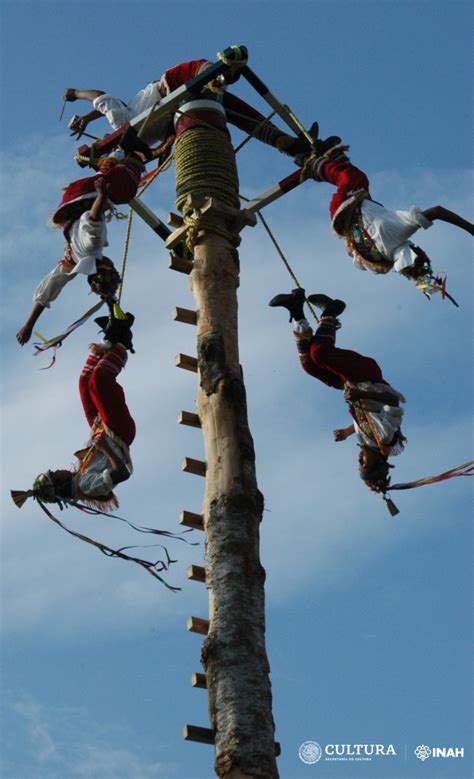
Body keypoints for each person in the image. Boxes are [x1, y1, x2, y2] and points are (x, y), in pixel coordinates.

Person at [269, 288, 406, 495]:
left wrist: (347, 432)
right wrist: (362, 396)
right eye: (364, 463)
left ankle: (296, 309)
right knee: (320, 354)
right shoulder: (385, 438)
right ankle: (331, 312)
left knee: (310, 366)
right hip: (367, 377)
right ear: (377, 462)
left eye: (358, 464)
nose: (359, 459)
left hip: (350, 384)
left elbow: (363, 420)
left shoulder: (366, 440)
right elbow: (393, 400)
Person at [62, 59, 338, 158]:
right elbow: (105, 99)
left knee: (222, 101)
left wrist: (83, 110)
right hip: (173, 97)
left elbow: (106, 101)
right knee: (220, 100)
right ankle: (217, 74)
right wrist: (78, 98)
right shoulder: (130, 126)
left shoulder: (128, 123)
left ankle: (286, 143)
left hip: (173, 98)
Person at [299, 144, 473, 297]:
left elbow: (437, 211)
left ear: (413, 252)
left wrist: (470, 228)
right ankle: (334, 157)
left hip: (348, 206)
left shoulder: (399, 232)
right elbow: (352, 254)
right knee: (358, 186)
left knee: (354, 177)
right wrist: (421, 278)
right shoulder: (381, 264)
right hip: (344, 217)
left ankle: (313, 164)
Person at [12, 307, 136, 511]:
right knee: (99, 380)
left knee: (85, 382)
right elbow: (122, 473)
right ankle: (121, 342)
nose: (58, 470)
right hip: (118, 433)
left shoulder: (81, 476)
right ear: (59, 485)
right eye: (54, 475)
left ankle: (107, 341)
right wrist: (104, 448)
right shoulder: (86, 486)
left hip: (104, 430)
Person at [16, 176, 125, 345]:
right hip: (85, 204)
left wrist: (101, 197)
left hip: (88, 201)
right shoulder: (73, 262)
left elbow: (94, 220)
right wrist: (28, 325)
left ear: (107, 267)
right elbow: (47, 291)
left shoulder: (90, 248)